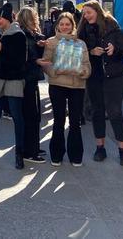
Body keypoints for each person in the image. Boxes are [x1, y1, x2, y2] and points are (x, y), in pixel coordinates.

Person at [77, 0, 123, 166]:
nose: (86, 16)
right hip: (94, 75)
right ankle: (100, 148)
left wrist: (114, 50)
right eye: (84, 13)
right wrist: (90, 51)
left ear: (97, 11)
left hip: (114, 75)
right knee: (97, 111)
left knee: (115, 112)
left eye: (89, 12)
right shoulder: (82, 30)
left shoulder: (113, 27)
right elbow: (77, 51)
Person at [38, 12, 91, 166]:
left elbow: (87, 65)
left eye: (68, 24)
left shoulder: (81, 43)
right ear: (57, 26)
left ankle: (76, 156)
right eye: (62, 24)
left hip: (77, 86)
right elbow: (46, 63)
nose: (65, 27)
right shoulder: (51, 42)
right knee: (59, 120)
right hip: (57, 85)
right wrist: (55, 71)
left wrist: (82, 71)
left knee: (75, 122)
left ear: (72, 26)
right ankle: (57, 154)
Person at [0, 2, 27, 170]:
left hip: (14, 81)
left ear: (8, 18)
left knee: (17, 116)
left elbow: (18, 62)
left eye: (0, 18)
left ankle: (19, 154)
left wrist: (1, 50)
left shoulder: (18, 35)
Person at [16, 6, 46, 164]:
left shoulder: (32, 35)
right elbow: (22, 60)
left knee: (34, 115)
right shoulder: (23, 36)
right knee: (31, 115)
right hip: (27, 79)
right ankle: (30, 151)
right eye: (33, 17)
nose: (36, 19)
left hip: (31, 79)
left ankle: (33, 147)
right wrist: (36, 60)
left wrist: (41, 45)